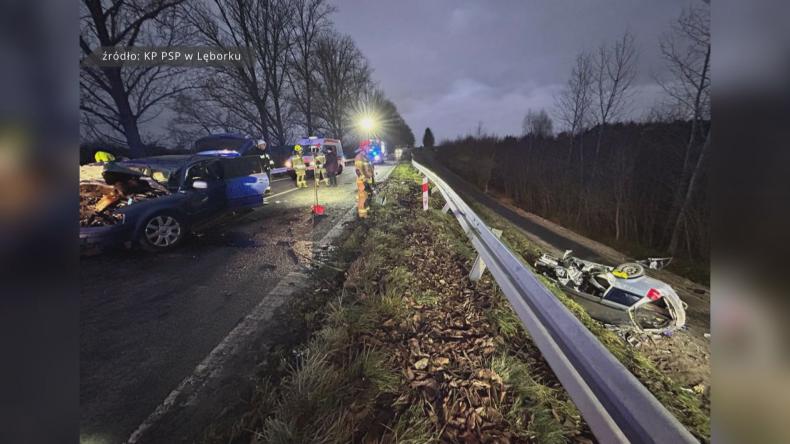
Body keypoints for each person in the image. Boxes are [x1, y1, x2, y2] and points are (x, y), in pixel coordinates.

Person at [354, 140, 375, 218]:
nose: (369, 148)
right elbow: (358, 170)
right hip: (362, 182)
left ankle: (367, 212)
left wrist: (372, 179)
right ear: (364, 147)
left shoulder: (366, 156)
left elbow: (369, 169)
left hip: (368, 180)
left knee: (368, 197)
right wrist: (364, 182)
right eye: (368, 146)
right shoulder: (359, 157)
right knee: (362, 198)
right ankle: (362, 216)